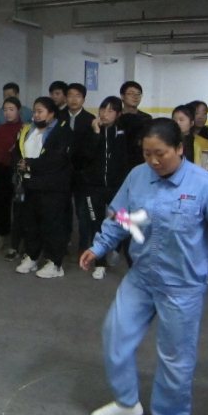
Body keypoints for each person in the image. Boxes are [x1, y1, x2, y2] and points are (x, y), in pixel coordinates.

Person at [81, 118, 208, 415]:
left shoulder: (205, 186)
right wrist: (99, 246)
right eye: (147, 154)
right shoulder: (138, 176)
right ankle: (126, 403)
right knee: (115, 334)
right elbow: (120, 216)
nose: (154, 161)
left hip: (182, 285)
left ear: (180, 148)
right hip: (142, 276)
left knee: (175, 355)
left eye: (160, 153)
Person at [13, 97, 73, 279]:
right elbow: (17, 151)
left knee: (52, 225)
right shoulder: (27, 130)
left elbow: (57, 159)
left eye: (40, 111)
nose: (36, 115)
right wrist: (20, 164)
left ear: (51, 113)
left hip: (52, 187)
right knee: (31, 223)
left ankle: (55, 263)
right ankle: (31, 256)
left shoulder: (62, 131)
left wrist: (30, 164)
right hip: (30, 185)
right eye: (34, 111)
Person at [76, 96, 128, 279]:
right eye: (103, 109)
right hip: (93, 187)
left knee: (120, 222)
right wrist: (96, 133)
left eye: (111, 110)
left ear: (118, 114)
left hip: (117, 187)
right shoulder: (89, 131)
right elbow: (84, 157)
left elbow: (126, 159)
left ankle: (115, 249)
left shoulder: (123, 133)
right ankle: (100, 262)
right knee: (95, 224)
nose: (105, 114)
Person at [0, 96, 24, 255]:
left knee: (19, 206)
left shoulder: (25, 129)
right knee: (1, 204)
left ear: (18, 111)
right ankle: (1, 234)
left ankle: (18, 238)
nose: (8, 113)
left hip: (18, 171)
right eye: (5, 110)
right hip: (2, 170)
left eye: (11, 109)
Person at [66, 82, 96, 252]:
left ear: (83, 99)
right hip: (61, 172)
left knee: (82, 212)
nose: (74, 99)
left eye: (78, 96)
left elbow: (91, 149)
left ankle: (83, 247)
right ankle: (63, 242)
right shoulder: (59, 117)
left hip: (81, 173)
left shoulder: (90, 120)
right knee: (61, 209)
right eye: (70, 95)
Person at [172, 104, 208, 171]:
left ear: (191, 123)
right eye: (174, 120)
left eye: (181, 120)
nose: (177, 123)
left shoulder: (205, 144)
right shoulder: (167, 141)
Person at [117, 81, 152, 169]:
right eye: (131, 93)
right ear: (122, 96)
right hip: (118, 163)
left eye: (138, 94)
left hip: (140, 163)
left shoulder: (146, 118)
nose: (135, 97)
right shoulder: (116, 117)